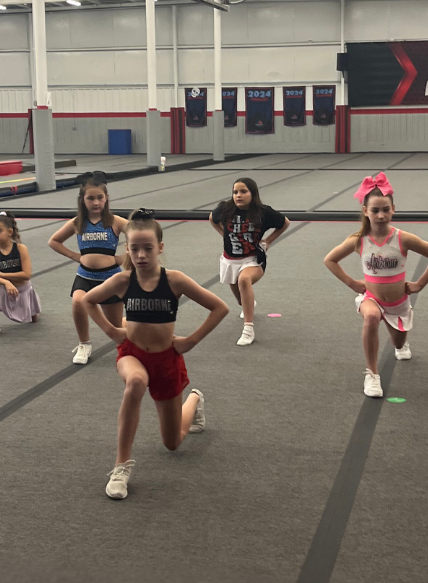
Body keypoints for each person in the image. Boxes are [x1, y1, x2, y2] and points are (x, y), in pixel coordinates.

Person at [83, 210, 229, 500]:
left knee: (172, 443)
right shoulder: (123, 281)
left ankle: (194, 400)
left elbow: (220, 308)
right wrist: (111, 331)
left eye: (147, 248)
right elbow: (88, 299)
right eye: (134, 249)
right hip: (132, 354)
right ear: (127, 249)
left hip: (167, 361)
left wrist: (191, 341)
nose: (140, 255)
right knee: (135, 383)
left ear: (160, 248)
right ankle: (121, 466)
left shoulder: (174, 280)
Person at [323, 173, 428, 397]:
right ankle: (372, 374)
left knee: (399, 342)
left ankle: (401, 345)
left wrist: (420, 283)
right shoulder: (359, 240)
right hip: (372, 298)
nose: (381, 215)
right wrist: (352, 283)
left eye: (385, 210)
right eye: (375, 210)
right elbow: (329, 260)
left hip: (398, 303)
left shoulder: (403, 238)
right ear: (365, 211)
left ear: (393, 209)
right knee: (370, 318)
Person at [48, 172, 129, 364]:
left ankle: (140, 329)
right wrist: (76, 257)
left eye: (100, 198)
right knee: (78, 301)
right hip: (85, 275)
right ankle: (84, 343)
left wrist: (123, 258)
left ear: (106, 198)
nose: (96, 202)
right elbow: (54, 241)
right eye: (90, 198)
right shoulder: (78, 223)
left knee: (116, 324)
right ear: (82, 200)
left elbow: (141, 235)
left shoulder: (115, 221)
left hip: (110, 278)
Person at [209, 177, 289, 346]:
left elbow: (285, 223)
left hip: (253, 259)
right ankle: (248, 303)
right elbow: (211, 218)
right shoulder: (225, 209)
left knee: (244, 280)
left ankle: (248, 329)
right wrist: (223, 234)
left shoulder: (263, 212)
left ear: (253, 194)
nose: (238, 195)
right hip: (230, 259)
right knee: (241, 298)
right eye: (235, 192)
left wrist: (268, 241)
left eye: (243, 192)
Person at [0, 211, 40, 336]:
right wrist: (6, 283)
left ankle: (33, 305)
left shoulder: (20, 249)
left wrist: (2, 275)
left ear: (10, 232)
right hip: (5, 290)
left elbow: (26, 274)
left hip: (22, 290)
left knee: (34, 321)